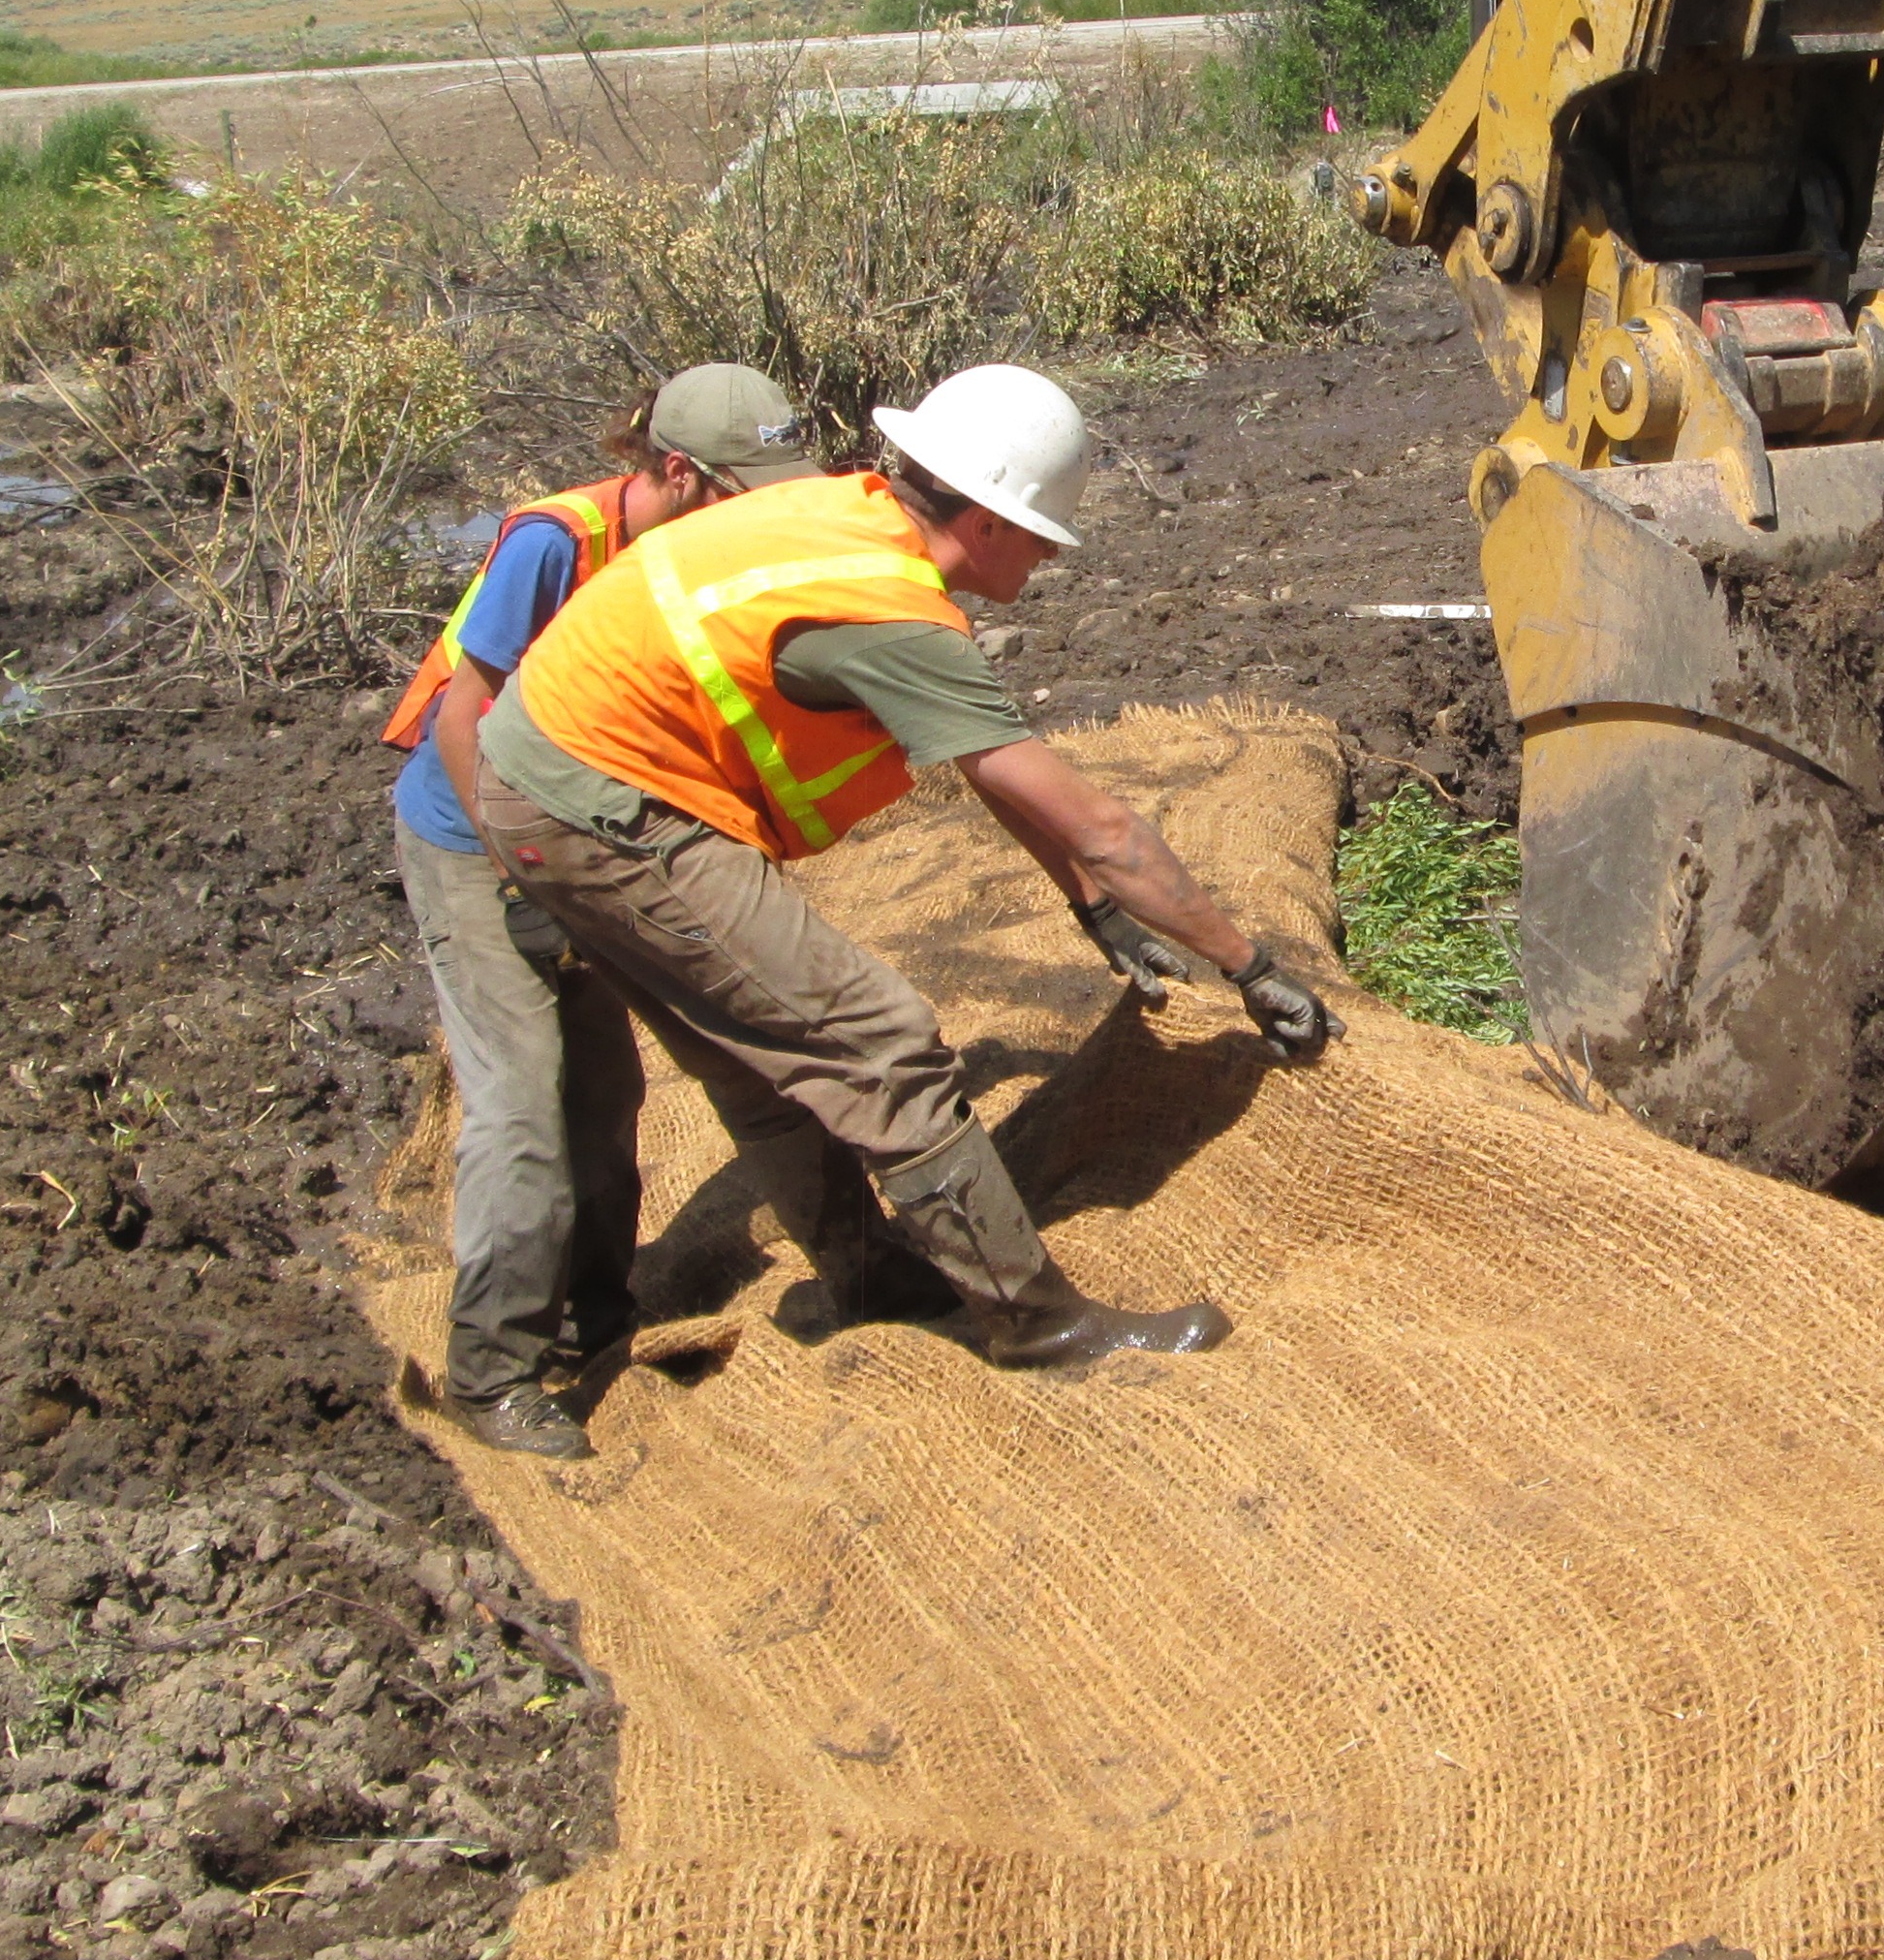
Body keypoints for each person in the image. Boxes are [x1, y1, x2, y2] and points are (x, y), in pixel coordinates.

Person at [465, 361, 1330, 1414]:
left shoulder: (841, 518)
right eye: (1046, 530)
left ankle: (877, 1284)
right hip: (596, 809)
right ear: (991, 521)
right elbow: (1101, 828)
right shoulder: (890, 615)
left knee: (758, 1063)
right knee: (878, 1038)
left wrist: (1089, 907)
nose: (1053, 554)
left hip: (540, 776)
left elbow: (997, 778)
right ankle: (1040, 1324)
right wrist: (1250, 965)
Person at [386, 362, 819, 1460]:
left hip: (571, 839)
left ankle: (594, 1316)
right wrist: (516, 866)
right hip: (474, 839)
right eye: (740, 490)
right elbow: (462, 709)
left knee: (607, 1095)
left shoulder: (695, 551)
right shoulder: (556, 542)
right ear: (676, 473)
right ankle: (492, 1371)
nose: (757, 514)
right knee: (521, 1100)